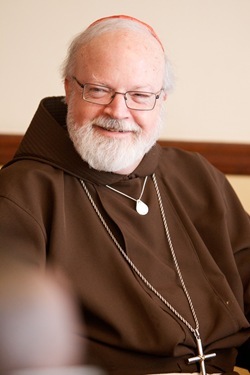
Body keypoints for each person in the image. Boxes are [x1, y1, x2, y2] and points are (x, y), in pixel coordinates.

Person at [0, 14, 249, 375]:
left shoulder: (197, 175)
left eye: (139, 95)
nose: (119, 111)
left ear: (160, 100)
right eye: (99, 90)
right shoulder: (20, 194)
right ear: (70, 89)